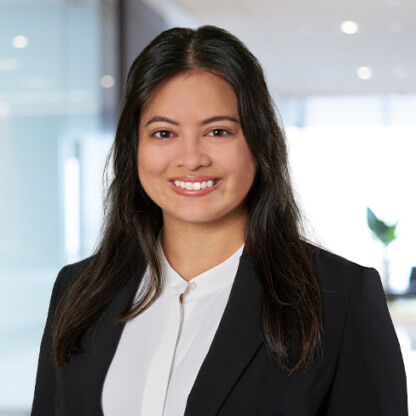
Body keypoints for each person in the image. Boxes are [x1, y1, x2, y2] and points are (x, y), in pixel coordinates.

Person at [31, 26, 407, 416]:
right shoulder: (79, 291)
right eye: (163, 133)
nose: (191, 158)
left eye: (217, 131)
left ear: (260, 143)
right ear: (134, 148)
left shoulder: (338, 299)